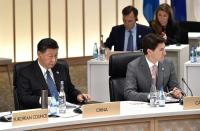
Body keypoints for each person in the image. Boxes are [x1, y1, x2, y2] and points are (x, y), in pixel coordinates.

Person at [17, 38, 91, 109]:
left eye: (56, 55)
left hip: (64, 111)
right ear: (39, 54)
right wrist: (45, 100)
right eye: (50, 56)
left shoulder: (61, 68)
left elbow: (70, 90)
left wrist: (78, 95)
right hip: (41, 114)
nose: (54, 60)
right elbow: (24, 98)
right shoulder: (26, 72)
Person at [124, 33, 183, 102]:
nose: (165, 53)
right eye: (161, 50)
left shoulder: (168, 64)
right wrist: (151, 96)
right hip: (144, 108)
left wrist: (177, 92)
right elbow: (128, 93)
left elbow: (174, 88)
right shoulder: (134, 66)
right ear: (149, 52)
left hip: (164, 107)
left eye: (164, 49)